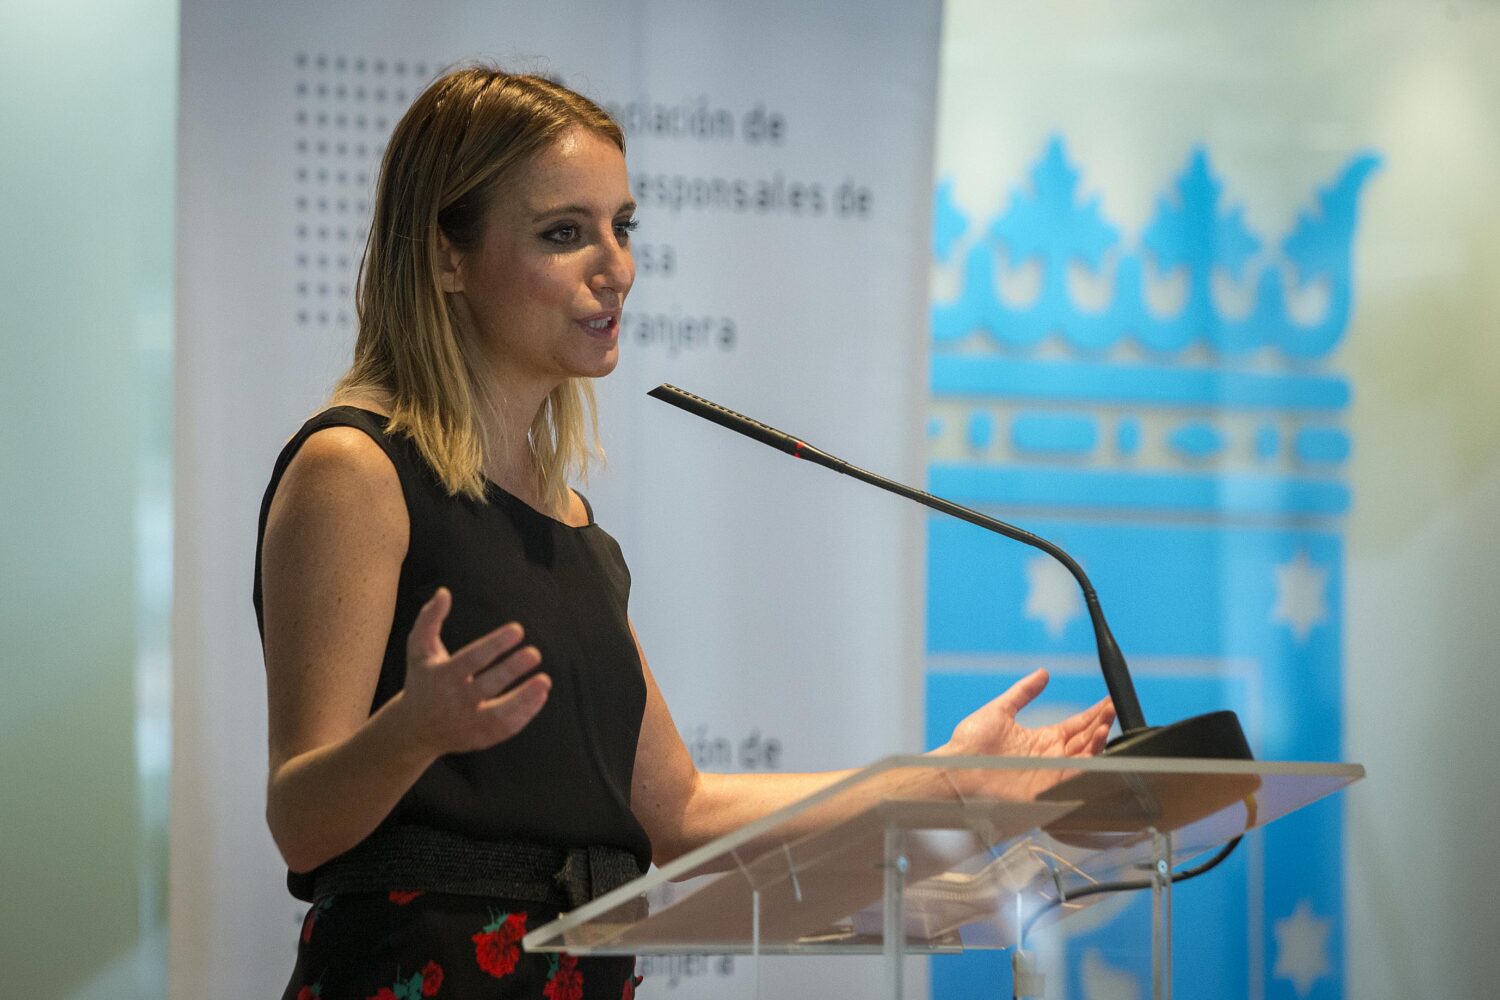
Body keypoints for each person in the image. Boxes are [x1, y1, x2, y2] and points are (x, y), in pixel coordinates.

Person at [254, 64, 1115, 1000]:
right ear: (446, 257)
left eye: (622, 227)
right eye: (564, 233)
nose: (616, 267)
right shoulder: (356, 471)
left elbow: (683, 814)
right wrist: (413, 732)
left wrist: (946, 780)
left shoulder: (572, 525)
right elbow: (301, 822)